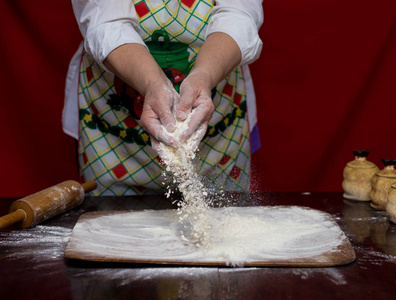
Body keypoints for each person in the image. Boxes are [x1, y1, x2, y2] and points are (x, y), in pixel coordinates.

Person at [63, 0, 263, 195]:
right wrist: (153, 83)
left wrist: (204, 75)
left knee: (221, 222)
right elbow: (107, 22)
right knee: (109, 222)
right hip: (112, 129)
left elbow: (239, 15)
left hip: (219, 113)